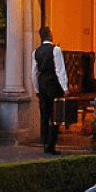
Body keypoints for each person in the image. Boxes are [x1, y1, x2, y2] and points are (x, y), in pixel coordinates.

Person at [33, 26, 68, 154]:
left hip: (42, 85)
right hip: (54, 85)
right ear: (50, 36)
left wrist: (36, 88)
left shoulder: (36, 52)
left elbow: (34, 72)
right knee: (55, 115)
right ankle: (52, 144)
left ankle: (45, 143)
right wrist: (65, 87)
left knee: (44, 114)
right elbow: (60, 70)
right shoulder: (56, 50)